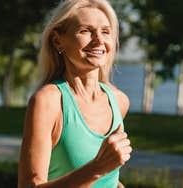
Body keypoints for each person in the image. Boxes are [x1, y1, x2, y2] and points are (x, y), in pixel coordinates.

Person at [17, 0, 132, 187]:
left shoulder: (119, 101)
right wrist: (97, 168)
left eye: (105, 31)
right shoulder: (47, 102)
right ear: (57, 41)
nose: (99, 40)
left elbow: (108, 180)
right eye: (85, 31)